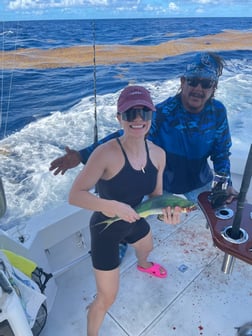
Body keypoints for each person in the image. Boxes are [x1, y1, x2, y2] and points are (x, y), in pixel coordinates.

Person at [50, 51, 238, 252]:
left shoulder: (218, 112)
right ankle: (120, 239)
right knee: (129, 203)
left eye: (206, 83)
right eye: (193, 81)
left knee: (226, 214)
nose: (198, 88)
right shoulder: (163, 113)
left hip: (198, 181)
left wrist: (223, 183)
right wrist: (82, 155)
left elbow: (221, 152)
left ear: (214, 87)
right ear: (183, 81)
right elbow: (126, 135)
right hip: (162, 186)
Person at [68, 85, 181, 336]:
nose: (138, 119)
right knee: (107, 298)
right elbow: (75, 195)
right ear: (120, 118)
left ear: (152, 116)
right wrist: (112, 206)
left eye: (144, 112)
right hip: (105, 229)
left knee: (147, 247)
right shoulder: (104, 154)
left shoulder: (159, 155)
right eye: (130, 113)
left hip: (135, 216)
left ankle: (143, 264)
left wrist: (167, 215)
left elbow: (156, 199)